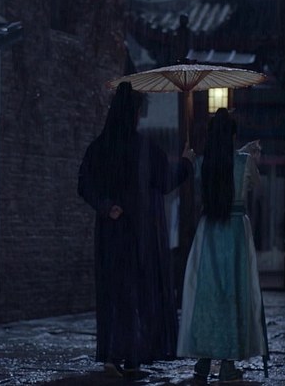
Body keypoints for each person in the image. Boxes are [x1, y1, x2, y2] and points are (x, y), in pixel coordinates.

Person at [77, 81, 195, 377]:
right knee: (136, 293)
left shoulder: (99, 148)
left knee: (114, 292)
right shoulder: (145, 149)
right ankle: (130, 354)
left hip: (110, 234)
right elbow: (166, 180)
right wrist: (186, 163)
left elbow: (85, 184)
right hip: (139, 234)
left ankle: (114, 353)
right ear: (133, 113)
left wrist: (106, 206)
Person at [177, 108, 269, 383]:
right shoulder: (244, 162)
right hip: (236, 233)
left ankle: (203, 362)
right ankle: (228, 362)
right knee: (234, 294)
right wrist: (250, 156)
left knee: (208, 296)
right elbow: (257, 186)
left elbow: (209, 170)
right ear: (232, 136)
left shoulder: (203, 163)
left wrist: (188, 157)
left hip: (209, 231)